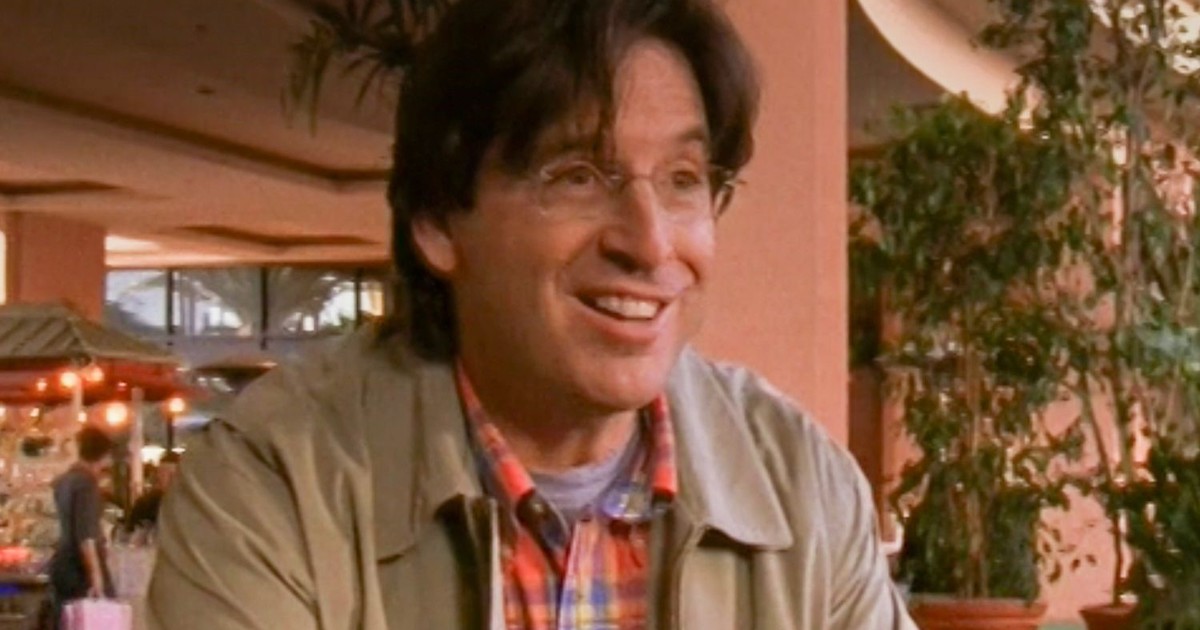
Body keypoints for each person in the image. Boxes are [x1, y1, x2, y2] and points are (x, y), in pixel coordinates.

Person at [148, 0, 915, 628]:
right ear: (439, 219)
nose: (650, 242)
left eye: (683, 178)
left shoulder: (802, 484)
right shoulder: (274, 482)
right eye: (578, 175)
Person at [49, 426, 115, 627]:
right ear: (102, 455)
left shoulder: (62, 481)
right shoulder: (87, 484)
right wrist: (96, 577)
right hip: (80, 569)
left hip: (62, 564)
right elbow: (86, 535)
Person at [125, 452, 179, 542]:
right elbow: (131, 534)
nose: (160, 477)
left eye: (170, 474)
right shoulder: (145, 504)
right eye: (161, 472)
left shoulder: (187, 504)